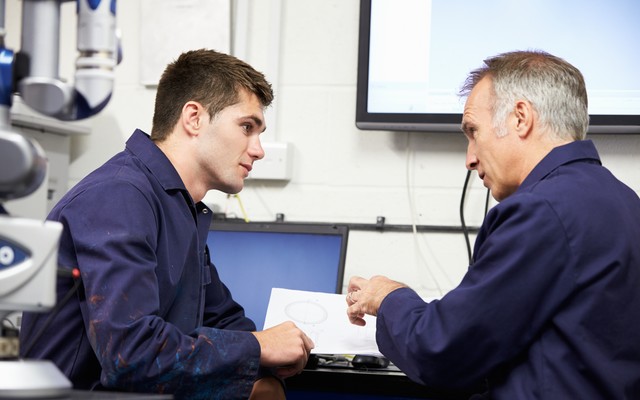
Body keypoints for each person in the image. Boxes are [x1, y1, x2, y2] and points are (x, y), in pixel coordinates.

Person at [20, 49, 314, 400]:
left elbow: (222, 317)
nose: (259, 150)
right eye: (247, 127)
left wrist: (269, 367)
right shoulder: (119, 197)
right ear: (193, 118)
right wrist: (257, 348)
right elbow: (132, 354)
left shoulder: (179, 205)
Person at [346, 50, 640, 399]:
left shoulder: (540, 211)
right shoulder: (622, 200)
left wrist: (388, 297)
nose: (470, 158)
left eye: (473, 132)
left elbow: (443, 351)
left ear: (520, 118)